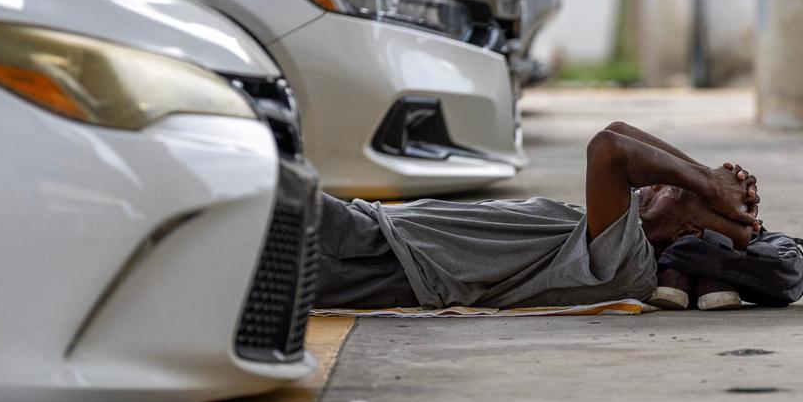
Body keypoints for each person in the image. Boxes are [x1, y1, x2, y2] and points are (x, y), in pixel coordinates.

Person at [313, 121, 761, 312]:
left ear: (684, 231)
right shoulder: (614, 233)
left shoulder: (627, 261)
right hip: (362, 234)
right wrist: (705, 177)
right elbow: (621, 130)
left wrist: (706, 185)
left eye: (672, 190)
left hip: (367, 254)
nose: (657, 181)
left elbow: (610, 148)